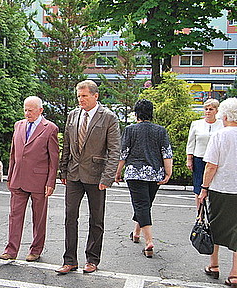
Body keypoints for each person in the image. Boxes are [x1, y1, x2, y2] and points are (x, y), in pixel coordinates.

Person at [57, 80, 120, 274]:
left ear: (95, 96)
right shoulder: (73, 115)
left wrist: (107, 178)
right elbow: (67, 145)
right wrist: (63, 170)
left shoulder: (108, 117)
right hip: (73, 174)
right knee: (70, 217)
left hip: (96, 176)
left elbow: (114, 150)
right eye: (78, 96)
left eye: (84, 96)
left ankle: (92, 259)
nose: (80, 99)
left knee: (96, 219)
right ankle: (70, 260)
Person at [0, 96, 59, 262]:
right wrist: (10, 176)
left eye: (31, 110)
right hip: (18, 179)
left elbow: (54, 159)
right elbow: (13, 154)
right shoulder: (18, 125)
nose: (27, 113)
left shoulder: (50, 128)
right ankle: (11, 250)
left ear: (40, 110)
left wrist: (51, 182)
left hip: (39, 181)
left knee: (39, 218)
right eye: (25, 110)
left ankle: (36, 250)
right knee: (14, 216)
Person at [114, 99, 173, 258]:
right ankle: (136, 233)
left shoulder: (130, 130)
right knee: (145, 205)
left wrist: (117, 172)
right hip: (155, 174)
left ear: (136, 114)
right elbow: (166, 153)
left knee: (142, 205)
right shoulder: (160, 131)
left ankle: (149, 242)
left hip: (135, 173)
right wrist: (168, 173)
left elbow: (123, 153)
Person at [199, 97, 237, 288]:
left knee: (214, 226)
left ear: (226, 116)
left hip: (221, 188)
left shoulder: (220, 135)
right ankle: (235, 274)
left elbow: (211, 165)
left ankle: (214, 265)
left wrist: (204, 188)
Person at [186, 99, 223, 208]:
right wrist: (189, 159)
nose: (208, 111)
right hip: (199, 158)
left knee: (214, 186)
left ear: (216, 111)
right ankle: (199, 214)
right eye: (206, 109)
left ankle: (213, 213)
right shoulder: (196, 124)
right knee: (198, 187)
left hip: (216, 159)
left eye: (211, 109)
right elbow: (191, 142)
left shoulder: (222, 125)